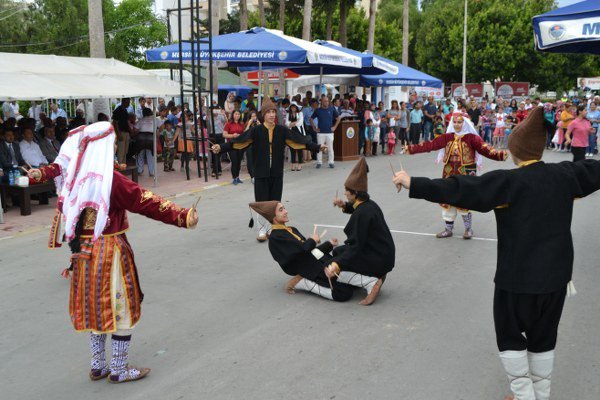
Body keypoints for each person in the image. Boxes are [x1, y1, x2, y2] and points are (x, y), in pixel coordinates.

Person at [392, 106, 600, 400]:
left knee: (510, 337)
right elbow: (595, 169)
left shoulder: (508, 182)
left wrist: (414, 183)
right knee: (544, 338)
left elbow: (461, 188)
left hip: (516, 281)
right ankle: (540, 394)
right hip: (556, 280)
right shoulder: (566, 175)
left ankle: (524, 395)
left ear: (514, 150)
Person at [27, 121, 198, 384]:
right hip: (110, 252)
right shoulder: (110, 180)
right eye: (113, 143)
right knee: (122, 309)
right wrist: (183, 216)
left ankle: (98, 365)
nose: (115, 147)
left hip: (83, 254)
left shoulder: (75, 178)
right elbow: (146, 201)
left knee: (95, 308)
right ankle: (118, 368)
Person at [211, 97, 324, 242]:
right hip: (260, 172)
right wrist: (221, 147)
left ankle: (273, 230)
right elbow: (239, 142)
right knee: (262, 202)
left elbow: (298, 141)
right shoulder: (256, 130)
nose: (271, 115)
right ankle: (262, 230)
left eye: (273, 112)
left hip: (276, 171)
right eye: (268, 112)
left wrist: (318, 147)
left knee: (276, 202)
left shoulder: (281, 130)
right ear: (263, 115)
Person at [403, 113, 508, 239]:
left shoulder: (472, 138)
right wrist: (411, 148)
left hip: (466, 172)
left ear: (464, 123)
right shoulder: (447, 137)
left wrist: (500, 155)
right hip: (449, 171)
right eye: (455, 122)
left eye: (459, 122)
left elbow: (485, 149)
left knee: (465, 200)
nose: (457, 125)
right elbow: (430, 145)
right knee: (446, 198)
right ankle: (448, 229)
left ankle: (468, 229)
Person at [250, 201, 354, 302]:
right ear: (273, 216)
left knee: (352, 280)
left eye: (284, 208)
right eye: (281, 210)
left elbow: (309, 251)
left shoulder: (292, 229)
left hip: (316, 261)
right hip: (308, 269)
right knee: (344, 293)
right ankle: (302, 282)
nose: (286, 211)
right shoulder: (275, 238)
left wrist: (328, 244)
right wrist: (312, 240)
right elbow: (300, 251)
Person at [327, 157, 395, 305]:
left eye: (347, 191)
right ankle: (377, 275)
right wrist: (343, 205)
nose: (345, 193)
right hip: (383, 254)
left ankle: (371, 282)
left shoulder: (362, 213)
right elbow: (356, 208)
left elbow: (355, 247)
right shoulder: (368, 205)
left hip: (378, 258)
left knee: (332, 265)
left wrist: (336, 265)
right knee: (338, 252)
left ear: (355, 193)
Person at [310, 96, 340, 168]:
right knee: (320, 148)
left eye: (327, 101)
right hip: (320, 133)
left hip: (329, 132)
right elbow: (311, 119)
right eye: (325, 101)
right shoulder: (318, 110)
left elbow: (338, 118)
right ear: (321, 102)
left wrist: (335, 127)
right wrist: (314, 128)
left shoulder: (332, 109)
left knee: (330, 148)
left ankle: (331, 162)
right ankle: (319, 162)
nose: (326, 102)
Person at [223, 109, 245, 184]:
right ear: (233, 115)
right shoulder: (228, 124)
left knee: (239, 162)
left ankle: (237, 177)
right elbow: (224, 134)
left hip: (240, 145)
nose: (237, 116)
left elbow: (244, 133)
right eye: (236, 114)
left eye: (238, 114)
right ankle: (234, 177)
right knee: (234, 161)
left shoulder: (241, 124)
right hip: (231, 145)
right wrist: (233, 135)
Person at [285, 102, 306, 171]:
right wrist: (294, 122)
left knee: (299, 148)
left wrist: (292, 123)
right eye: (292, 107)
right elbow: (287, 123)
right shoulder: (288, 114)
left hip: (299, 132)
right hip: (291, 133)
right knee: (292, 148)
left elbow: (300, 123)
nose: (293, 108)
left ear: (296, 107)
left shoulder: (300, 113)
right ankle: (293, 164)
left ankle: (300, 164)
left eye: (294, 107)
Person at [112, 98, 132, 164]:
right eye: (127, 102)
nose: (128, 104)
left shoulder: (125, 110)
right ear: (123, 101)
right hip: (121, 132)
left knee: (125, 151)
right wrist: (118, 134)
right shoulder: (117, 110)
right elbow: (115, 123)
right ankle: (120, 166)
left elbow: (127, 122)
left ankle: (123, 165)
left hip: (126, 132)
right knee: (121, 151)